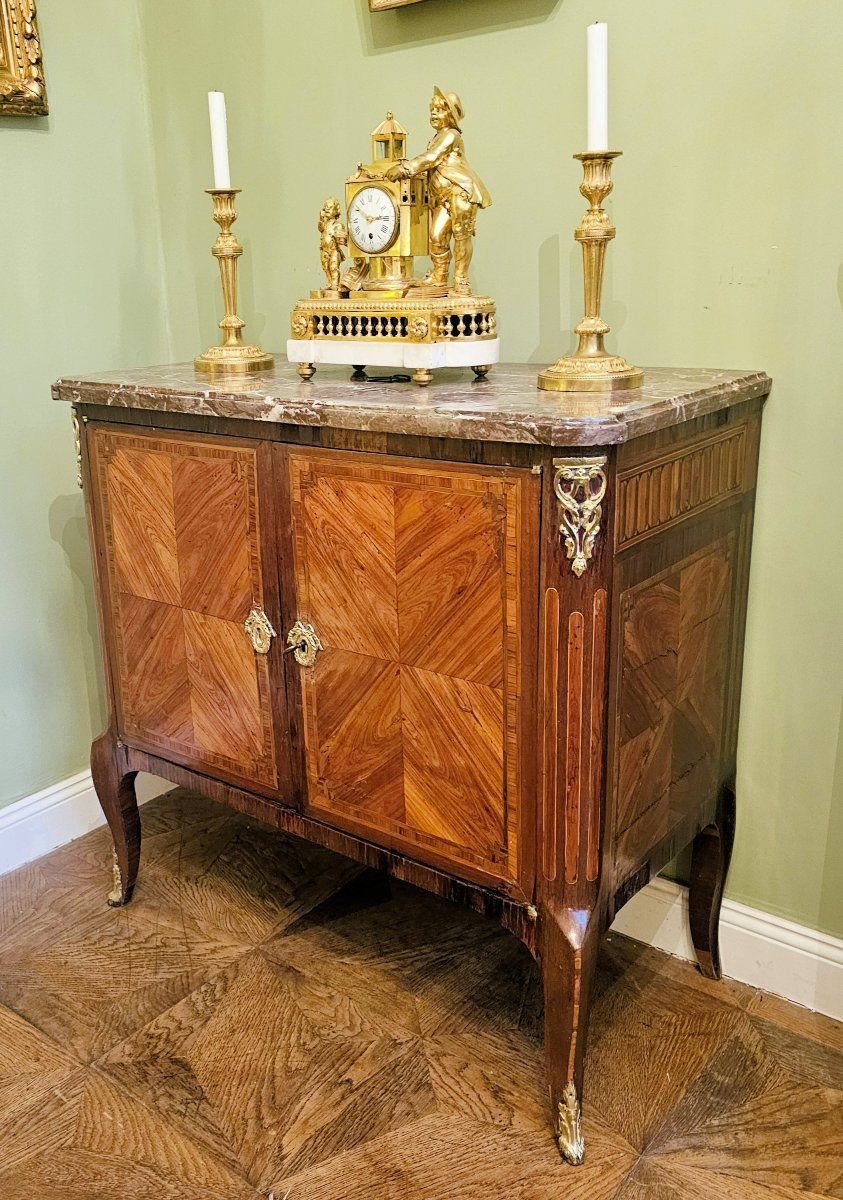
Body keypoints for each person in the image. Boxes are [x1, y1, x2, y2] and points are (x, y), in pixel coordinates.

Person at [387, 87, 490, 296]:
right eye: (432, 110)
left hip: (460, 193)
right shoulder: (437, 136)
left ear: (450, 115)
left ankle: (461, 280)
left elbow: (431, 158)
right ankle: (439, 275)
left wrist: (404, 168)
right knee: (436, 236)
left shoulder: (451, 135)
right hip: (442, 198)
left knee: (461, 236)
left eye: (440, 110)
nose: (434, 114)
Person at [318, 197, 347, 294]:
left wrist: (339, 236)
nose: (326, 209)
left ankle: (335, 283)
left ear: (336, 210)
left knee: (333, 266)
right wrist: (321, 217)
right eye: (325, 207)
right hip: (324, 249)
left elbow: (342, 237)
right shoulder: (325, 224)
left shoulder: (338, 225)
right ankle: (330, 282)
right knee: (325, 266)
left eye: (329, 208)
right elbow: (320, 228)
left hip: (334, 250)